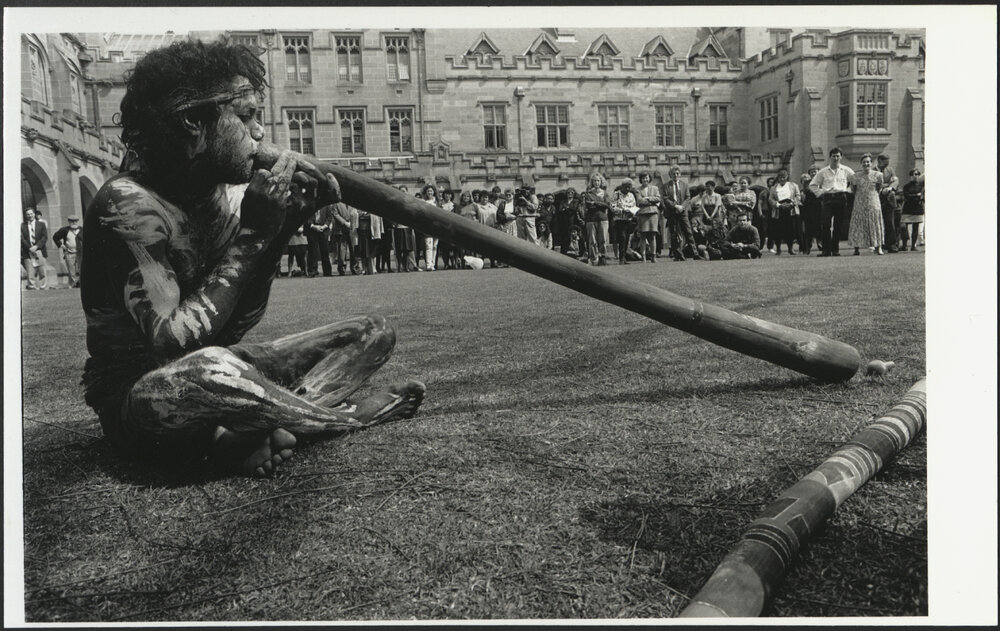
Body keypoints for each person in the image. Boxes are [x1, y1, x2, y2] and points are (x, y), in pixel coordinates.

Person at [79, 41, 425, 477]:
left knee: (373, 333)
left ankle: (256, 426)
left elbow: (234, 326)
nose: (259, 132)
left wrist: (281, 229)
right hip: (143, 398)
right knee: (212, 369)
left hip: (218, 366)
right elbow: (171, 343)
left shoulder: (218, 199)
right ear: (193, 122)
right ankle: (342, 420)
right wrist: (253, 236)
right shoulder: (128, 204)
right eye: (245, 116)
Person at [809, 147, 855, 257]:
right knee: (825, 224)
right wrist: (820, 193)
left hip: (841, 197)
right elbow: (813, 185)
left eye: (838, 156)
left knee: (838, 225)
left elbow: (855, 181)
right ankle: (826, 250)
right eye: (833, 156)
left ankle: (835, 249)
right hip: (828, 198)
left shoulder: (846, 170)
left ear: (841, 157)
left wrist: (848, 190)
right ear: (830, 157)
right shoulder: (823, 172)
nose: (836, 158)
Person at [847, 153, 885, 255]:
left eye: (868, 162)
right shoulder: (855, 176)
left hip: (873, 202)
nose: (866, 164)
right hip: (859, 202)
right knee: (858, 224)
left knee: (875, 223)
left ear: (871, 163)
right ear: (861, 163)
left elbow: (879, 188)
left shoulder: (878, 175)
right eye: (864, 162)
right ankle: (856, 249)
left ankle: (878, 247)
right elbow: (853, 189)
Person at [662, 166, 695, 261]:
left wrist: (682, 207)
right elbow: (665, 198)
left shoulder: (684, 185)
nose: (675, 175)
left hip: (683, 212)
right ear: (670, 175)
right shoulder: (666, 186)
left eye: (677, 173)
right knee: (674, 234)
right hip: (672, 212)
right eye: (673, 174)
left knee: (688, 232)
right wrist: (675, 206)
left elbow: (688, 198)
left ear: (680, 174)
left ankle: (695, 253)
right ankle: (678, 255)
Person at [768, 169, 802, 255]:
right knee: (778, 231)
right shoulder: (774, 188)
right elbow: (771, 199)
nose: (782, 179)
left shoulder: (793, 185)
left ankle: (790, 249)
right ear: (778, 178)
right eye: (780, 177)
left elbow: (798, 196)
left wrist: (792, 203)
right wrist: (779, 205)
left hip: (790, 210)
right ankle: (778, 249)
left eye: (784, 177)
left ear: (787, 177)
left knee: (790, 230)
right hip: (779, 211)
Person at [583, 173, 611, 266]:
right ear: (592, 182)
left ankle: (603, 257)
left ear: (601, 182)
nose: (596, 182)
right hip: (591, 219)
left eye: (598, 181)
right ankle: (594, 258)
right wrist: (600, 203)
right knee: (592, 240)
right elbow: (588, 205)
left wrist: (594, 202)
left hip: (603, 218)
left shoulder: (605, 193)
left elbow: (607, 205)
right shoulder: (588, 193)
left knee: (603, 239)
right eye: (594, 181)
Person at [634, 172, 661, 263]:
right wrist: (652, 201)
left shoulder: (655, 188)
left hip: (653, 214)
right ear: (641, 179)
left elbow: (658, 199)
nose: (645, 180)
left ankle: (653, 256)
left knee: (653, 236)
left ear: (649, 178)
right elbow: (639, 201)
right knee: (643, 236)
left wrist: (648, 198)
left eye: (647, 178)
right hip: (643, 214)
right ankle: (643, 256)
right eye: (643, 178)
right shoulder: (638, 190)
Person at [610, 178, 638, 264]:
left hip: (628, 219)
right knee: (622, 237)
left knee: (627, 238)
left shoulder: (631, 195)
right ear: (622, 186)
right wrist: (621, 210)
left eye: (629, 187)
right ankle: (621, 257)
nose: (627, 189)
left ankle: (624, 256)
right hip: (619, 220)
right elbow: (612, 206)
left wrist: (631, 211)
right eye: (626, 187)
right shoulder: (616, 194)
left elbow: (634, 205)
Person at [876, 154, 900, 253]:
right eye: (885, 163)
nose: (887, 165)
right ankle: (880, 244)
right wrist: (885, 185)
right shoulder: (873, 171)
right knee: (878, 222)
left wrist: (890, 187)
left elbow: (896, 181)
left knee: (890, 222)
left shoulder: (890, 170)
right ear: (879, 161)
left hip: (889, 199)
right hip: (877, 199)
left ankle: (891, 244)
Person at [22, 208, 50, 290]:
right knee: (30, 271)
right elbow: (22, 238)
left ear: (34, 214)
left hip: (39, 250)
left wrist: (36, 246)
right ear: (25, 215)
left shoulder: (41, 224)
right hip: (28, 251)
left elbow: (45, 237)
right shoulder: (22, 226)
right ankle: (32, 287)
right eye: (28, 214)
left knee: (42, 271)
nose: (30, 215)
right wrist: (29, 248)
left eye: (31, 214)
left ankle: (43, 287)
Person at [52, 215, 83, 288]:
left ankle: (81, 284)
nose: (74, 222)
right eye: (72, 221)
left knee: (82, 269)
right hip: (69, 253)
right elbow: (55, 237)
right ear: (69, 222)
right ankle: (73, 285)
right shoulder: (64, 230)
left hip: (80, 253)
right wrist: (61, 245)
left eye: (75, 221)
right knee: (71, 271)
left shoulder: (82, 230)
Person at [330, 202, 359, 275]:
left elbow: (356, 212)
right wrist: (345, 223)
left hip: (352, 228)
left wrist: (352, 223)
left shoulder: (352, 202)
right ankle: (342, 268)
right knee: (341, 249)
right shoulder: (336, 203)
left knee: (353, 248)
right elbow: (335, 214)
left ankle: (354, 267)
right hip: (340, 229)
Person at [305, 203, 333, 277]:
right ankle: (312, 271)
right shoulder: (310, 204)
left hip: (324, 230)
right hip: (312, 230)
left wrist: (324, 226)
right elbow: (306, 217)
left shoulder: (326, 205)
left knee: (325, 251)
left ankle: (327, 272)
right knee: (312, 251)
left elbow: (329, 217)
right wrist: (313, 226)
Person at [900, 169, 924, 251]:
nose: (915, 176)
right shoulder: (906, 186)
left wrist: (916, 196)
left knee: (916, 227)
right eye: (913, 174)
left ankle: (913, 245)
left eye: (917, 174)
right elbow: (907, 196)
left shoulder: (921, 187)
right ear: (910, 176)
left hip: (917, 209)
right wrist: (917, 195)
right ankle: (904, 245)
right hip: (908, 208)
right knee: (904, 227)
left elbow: (922, 196)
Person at [798, 168, 821, 255]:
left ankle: (820, 244)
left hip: (819, 207)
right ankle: (807, 247)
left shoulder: (821, 181)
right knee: (808, 229)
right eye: (812, 172)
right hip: (808, 208)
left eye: (815, 171)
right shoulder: (807, 183)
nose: (814, 173)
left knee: (820, 227)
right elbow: (804, 194)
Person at [419, 184, 440, 271]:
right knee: (428, 245)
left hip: (436, 226)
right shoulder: (424, 202)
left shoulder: (437, 203)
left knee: (435, 246)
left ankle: (433, 264)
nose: (430, 192)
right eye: (428, 191)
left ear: (434, 192)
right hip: (428, 225)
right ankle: (428, 264)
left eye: (431, 191)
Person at [756, 178, 775, 253]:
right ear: (767, 183)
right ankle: (760, 247)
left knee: (772, 230)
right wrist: (760, 213)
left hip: (773, 212)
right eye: (770, 182)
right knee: (763, 231)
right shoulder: (763, 192)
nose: (772, 183)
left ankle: (770, 247)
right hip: (765, 212)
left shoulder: (775, 192)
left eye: (773, 182)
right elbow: (759, 203)